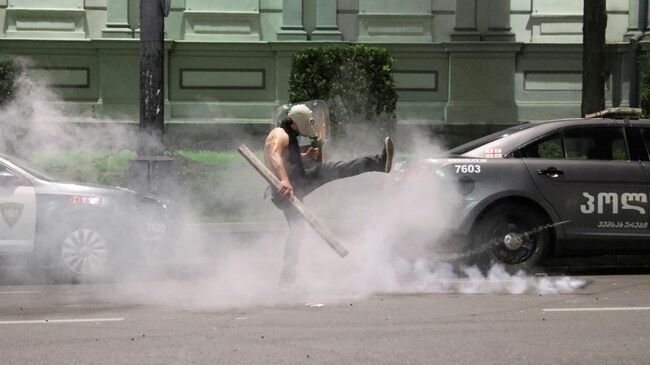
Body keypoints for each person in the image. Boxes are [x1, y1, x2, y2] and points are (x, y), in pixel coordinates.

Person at [264, 103, 394, 284]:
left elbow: (287, 158)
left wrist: (305, 157)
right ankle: (378, 162)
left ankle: (286, 281)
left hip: (297, 183)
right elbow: (273, 155)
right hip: (287, 188)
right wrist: (284, 181)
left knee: (297, 233)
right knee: (333, 169)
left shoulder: (290, 135)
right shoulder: (279, 134)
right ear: (298, 122)